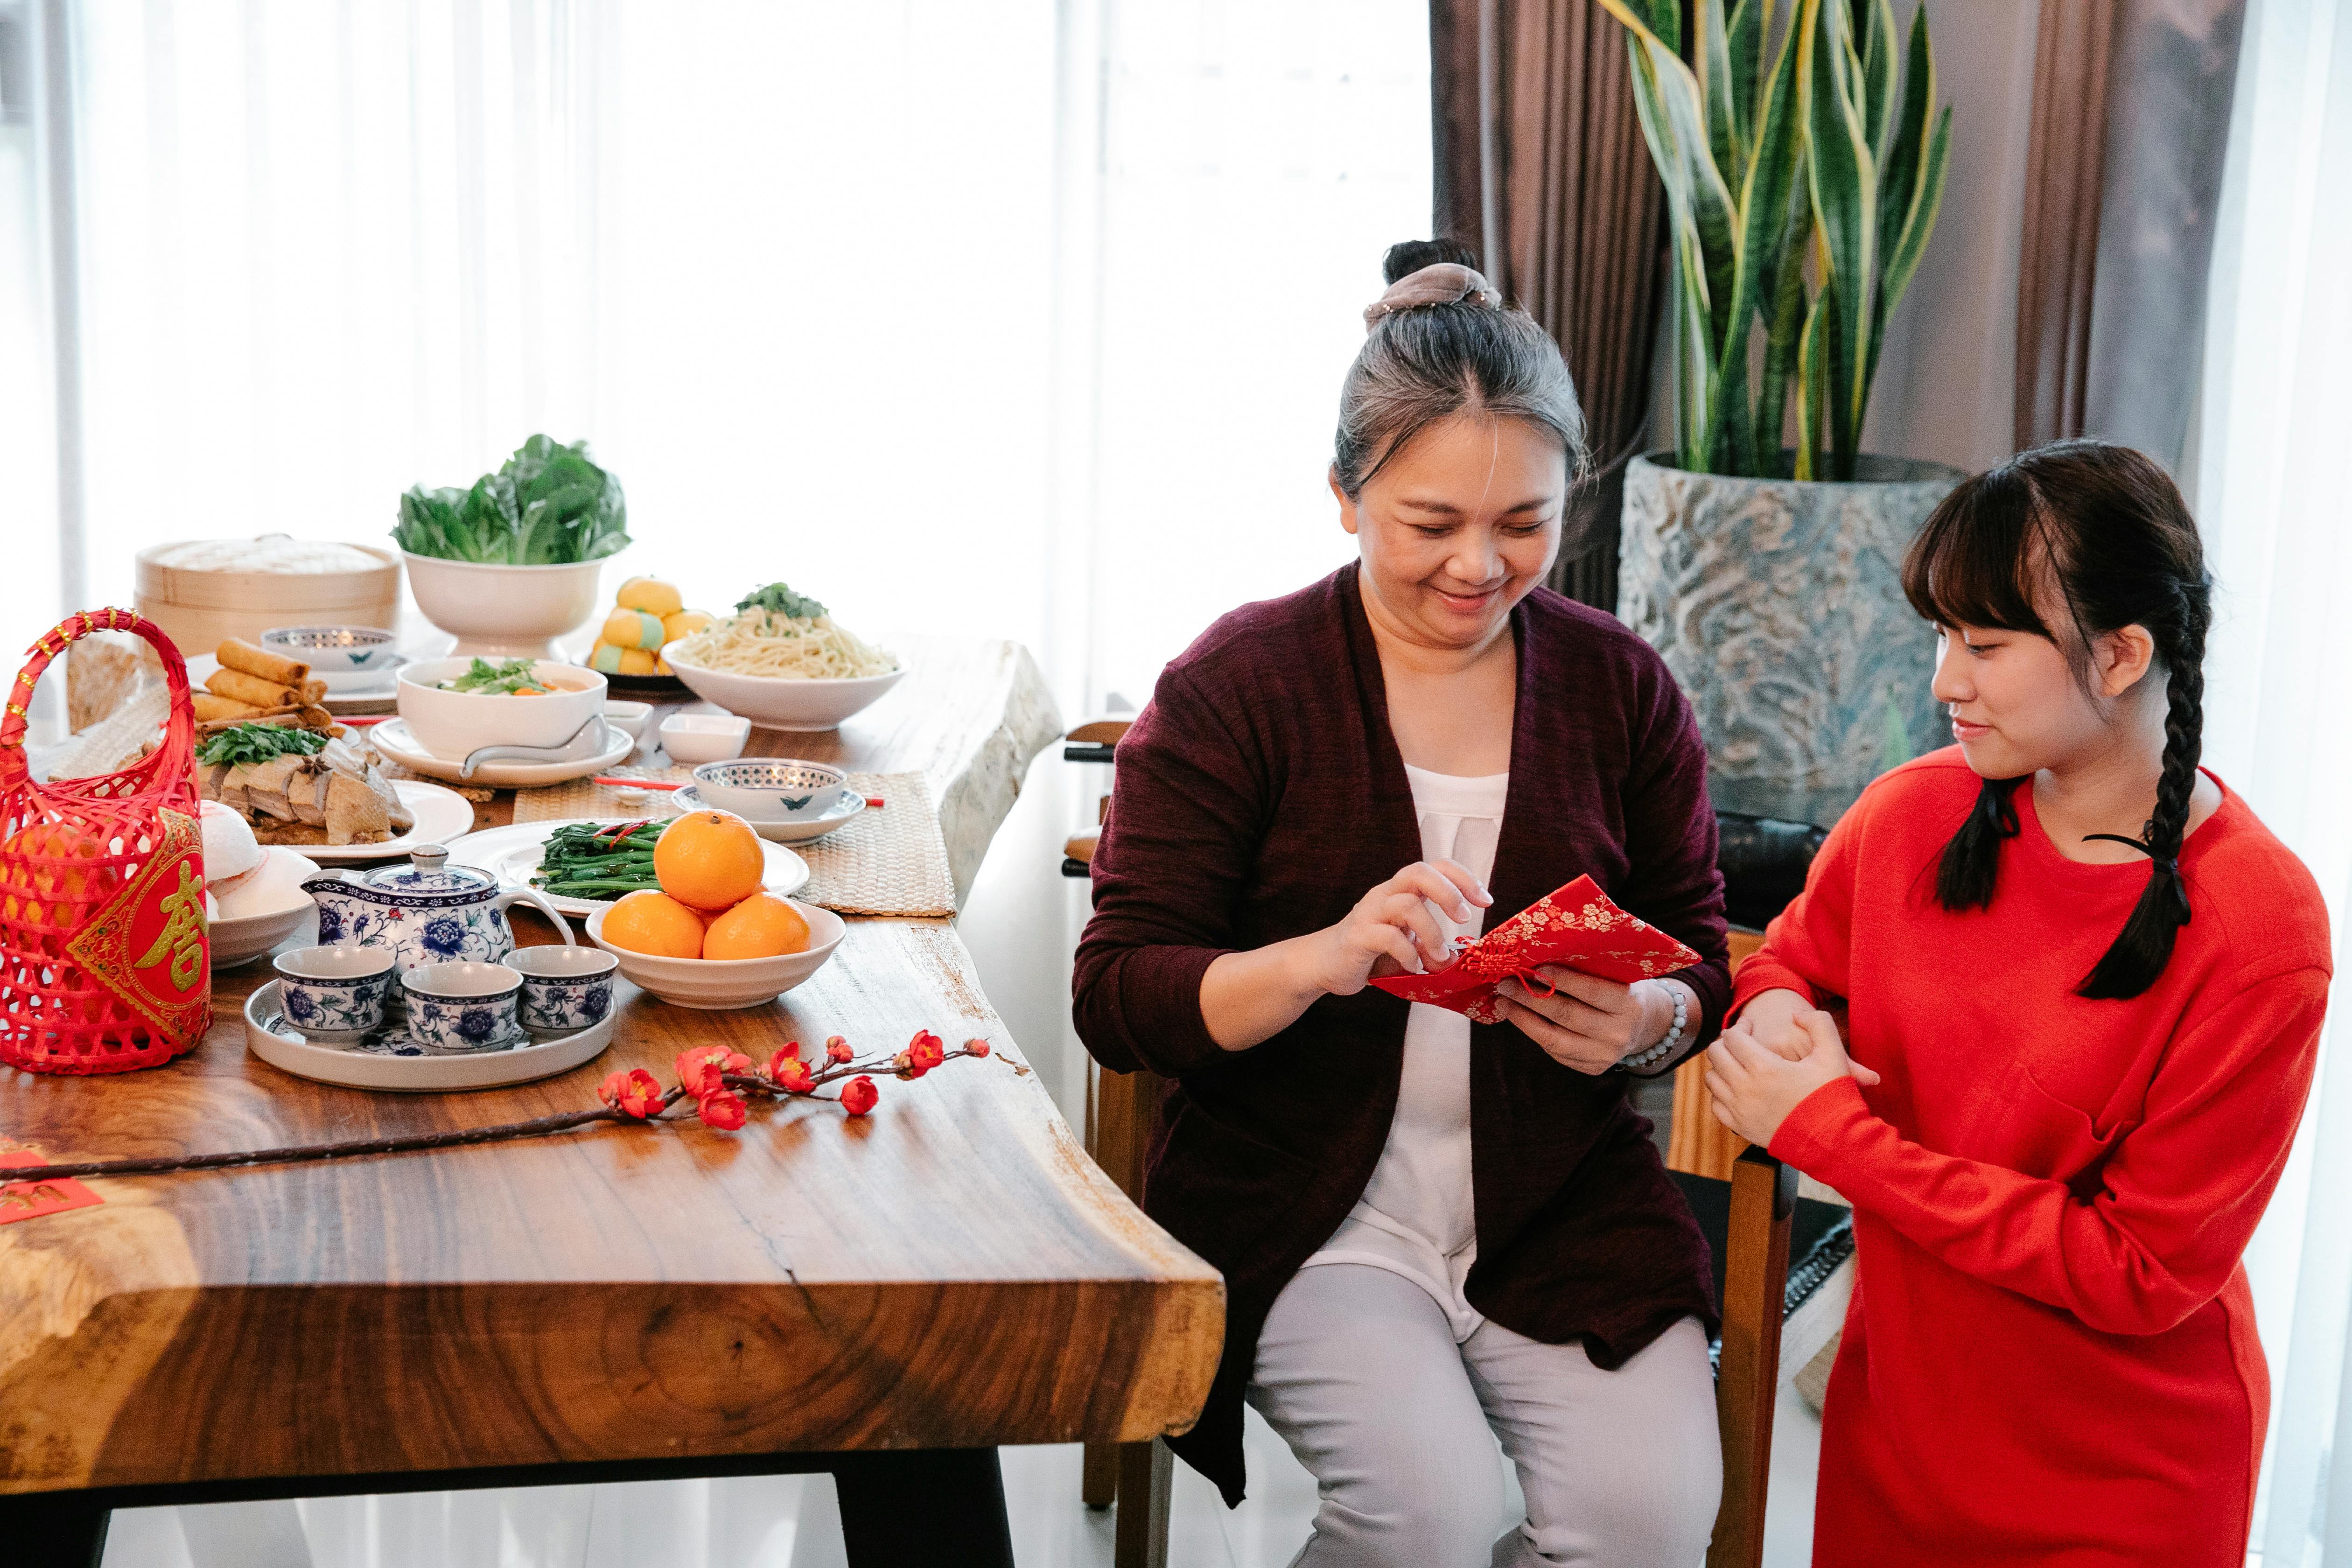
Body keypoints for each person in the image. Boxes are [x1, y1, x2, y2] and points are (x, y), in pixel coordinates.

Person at [1072, 238, 1728, 1568]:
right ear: (1343, 495)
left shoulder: (1620, 688)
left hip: (1559, 1204)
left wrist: (1650, 1017)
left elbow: (1702, 950)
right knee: (1426, 1518)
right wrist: (1321, 957)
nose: (1478, 567)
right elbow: (1116, 992)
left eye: (1525, 523)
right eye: (1431, 524)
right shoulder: (1238, 686)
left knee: (1652, 1521)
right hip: (1308, 1201)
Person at [1704, 440, 2330, 1566]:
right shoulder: (1907, 817)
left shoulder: (2260, 932)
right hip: (1894, 1446)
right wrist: (1773, 1015)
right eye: (1944, 637)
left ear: (2125, 653)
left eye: (1986, 645)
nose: (1946, 681)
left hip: (2121, 1493)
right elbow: (1787, 959)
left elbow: (2140, 1273)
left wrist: (1834, 1139)